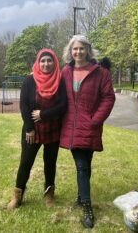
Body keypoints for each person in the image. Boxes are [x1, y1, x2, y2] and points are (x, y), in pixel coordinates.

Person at [60, 35, 116, 228]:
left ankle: (81, 199)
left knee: (85, 164)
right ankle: (86, 205)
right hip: (71, 126)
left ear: (88, 50)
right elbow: (55, 92)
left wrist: (96, 120)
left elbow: (108, 98)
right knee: (82, 166)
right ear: (70, 51)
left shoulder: (100, 73)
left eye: (82, 48)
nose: (78, 52)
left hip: (90, 126)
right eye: (75, 49)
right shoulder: (66, 71)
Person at [8, 48, 67, 209]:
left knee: (50, 163)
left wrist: (44, 114)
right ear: (37, 62)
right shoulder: (29, 80)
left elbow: (63, 105)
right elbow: (24, 105)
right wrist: (29, 128)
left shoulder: (60, 80)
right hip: (32, 129)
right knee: (26, 162)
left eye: (49, 60)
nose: (46, 64)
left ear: (54, 62)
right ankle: (18, 196)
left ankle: (49, 194)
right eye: (43, 60)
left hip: (52, 128)